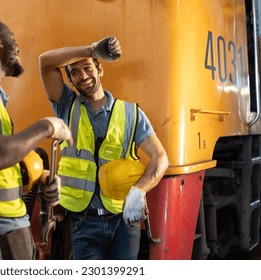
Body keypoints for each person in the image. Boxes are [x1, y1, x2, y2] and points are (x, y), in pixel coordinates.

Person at [38, 36, 168, 260]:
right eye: (75, 72)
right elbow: (45, 62)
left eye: (87, 68)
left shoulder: (131, 114)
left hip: (124, 222)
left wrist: (140, 191)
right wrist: (92, 49)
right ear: (70, 81)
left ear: (100, 70)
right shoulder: (66, 107)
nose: (83, 76)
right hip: (83, 222)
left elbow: (160, 158)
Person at [0, 17, 73, 260]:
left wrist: (40, 175)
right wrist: (46, 126)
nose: (17, 48)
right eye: (13, 39)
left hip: (8, 224)